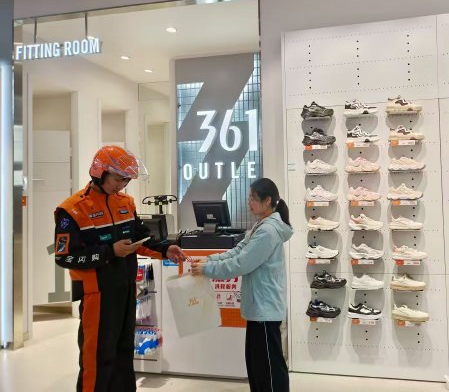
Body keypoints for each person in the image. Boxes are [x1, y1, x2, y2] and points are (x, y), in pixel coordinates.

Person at [53, 145, 185, 392]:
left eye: (126, 180)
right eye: (117, 179)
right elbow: (65, 257)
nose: (121, 185)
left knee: (124, 355)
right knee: (97, 359)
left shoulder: (126, 203)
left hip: (126, 290)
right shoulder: (72, 210)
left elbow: (140, 240)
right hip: (97, 295)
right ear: (99, 172)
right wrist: (109, 252)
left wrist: (165, 250)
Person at [191, 178, 293, 392]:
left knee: (269, 371)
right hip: (258, 309)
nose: (249, 203)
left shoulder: (267, 231)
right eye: (249, 198)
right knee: (258, 369)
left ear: (267, 201)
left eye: (253, 198)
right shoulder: (260, 225)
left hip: (265, 310)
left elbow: (241, 264)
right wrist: (210, 259)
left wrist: (208, 269)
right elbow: (238, 251)